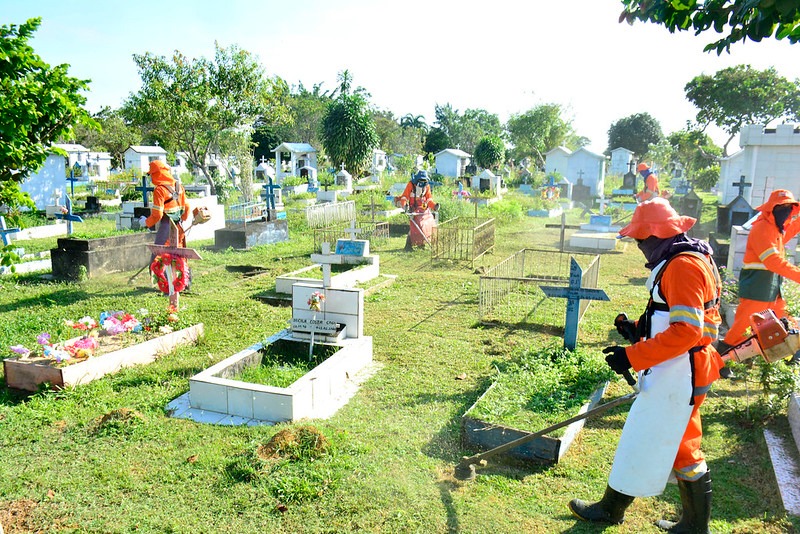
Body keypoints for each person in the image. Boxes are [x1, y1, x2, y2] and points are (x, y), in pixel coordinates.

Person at [569, 197, 723, 533]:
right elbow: (670, 315)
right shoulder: (678, 259)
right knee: (665, 441)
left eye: (640, 239)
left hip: (682, 373)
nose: (638, 246)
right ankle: (628, 512)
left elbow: (687, 331)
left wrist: (632, 356)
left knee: (666, 443)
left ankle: (617, 510)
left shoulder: (683, 266)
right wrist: (637, 330)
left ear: (656, 235)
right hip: (677, 369)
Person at [717, 189, 800, 366]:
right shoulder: (762, 229)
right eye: (781, 207)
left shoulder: (775, 229)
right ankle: (718, 362)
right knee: (741, 329)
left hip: (772, 288)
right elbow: (773, 262)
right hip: (757, 288)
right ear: (771, 208)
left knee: (786, 323)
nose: (785, 210)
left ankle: (792, 357)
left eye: (788, 207)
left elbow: (789, 232)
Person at [139, 160, 190, 248]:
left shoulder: (159, 190)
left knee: (159, 256)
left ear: (156, 174)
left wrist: (146, 222)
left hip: (166, 227)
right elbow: (187, 206)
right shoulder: (179, 186)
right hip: (179, 226)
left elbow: (158, 214)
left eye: (151, 175)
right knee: (178, 255)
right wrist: (183, 218)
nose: (151, 177)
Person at [398, 170, 438, 251]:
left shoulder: (427, 187)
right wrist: (405, 206)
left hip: (424, 210)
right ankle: (408, 245)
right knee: (416, 227)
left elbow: (429, 199)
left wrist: (434, 206)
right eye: (421, 180)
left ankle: (421, 244)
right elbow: (404, 197)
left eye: (424, 181)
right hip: (414, 210)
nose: (423, 183)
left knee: (429, 225)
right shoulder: (411, 185)